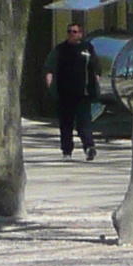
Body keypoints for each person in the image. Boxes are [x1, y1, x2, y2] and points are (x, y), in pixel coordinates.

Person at [47, 19, 98, 161]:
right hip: (64, 94)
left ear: (80, 33)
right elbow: (49, 69)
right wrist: (51, 88)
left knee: (84, 123)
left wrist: (95, 86)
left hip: (83, 93)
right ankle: (67, 151)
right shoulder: (60, 49)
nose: (71, 34)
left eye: (74, 32)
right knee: (66, 124)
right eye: (69, 32)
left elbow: (95, 69)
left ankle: (89, 147)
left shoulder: (88, 49)